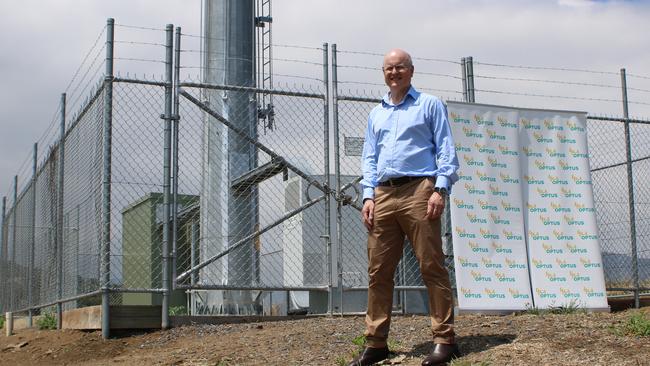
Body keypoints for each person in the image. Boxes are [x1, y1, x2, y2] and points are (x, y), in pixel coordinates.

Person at [348, 49, 460, 366]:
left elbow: (446, 150)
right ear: (383, 73)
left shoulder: (430, 105)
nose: (394, 72)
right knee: (379, 271)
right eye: (389, 68)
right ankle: (376, 342)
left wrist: (440, 188)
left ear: (411, 71)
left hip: (420, 190)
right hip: (383, 194)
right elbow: (369, 158)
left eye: (400, 67)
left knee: (431, 265)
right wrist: (368, 195)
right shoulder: (376, 114)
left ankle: (444, 339)